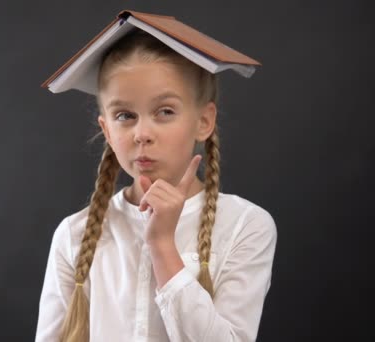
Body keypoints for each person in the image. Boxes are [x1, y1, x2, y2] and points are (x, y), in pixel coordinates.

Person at [35, 10, 277, 342]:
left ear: (203, 121)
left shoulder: (245, 226)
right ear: (106, 129)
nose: (142, 133)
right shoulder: (73, 236)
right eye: (125, 115)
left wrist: (162, 245)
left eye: (165, 111)